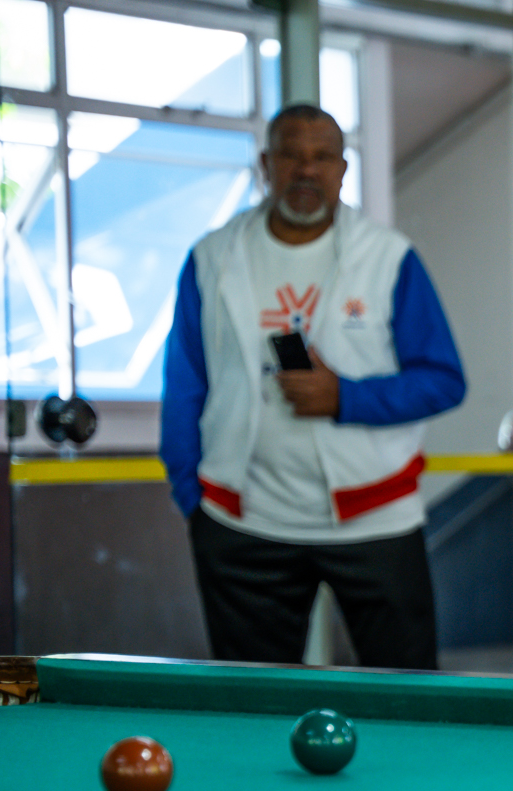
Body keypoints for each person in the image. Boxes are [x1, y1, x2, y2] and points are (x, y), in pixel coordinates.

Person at [161, 104, 466, 669]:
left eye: (322, 157)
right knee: (253, 702)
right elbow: (184, 386)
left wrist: (345, 398)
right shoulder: (212, 258)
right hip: (242, 523)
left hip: (374, 517)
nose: (306, 170)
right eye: (291, 156)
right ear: (265, 165)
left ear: (343, 169)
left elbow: (444, 381)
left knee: (406, 697)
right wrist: (192, 499)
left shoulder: (388, 258)